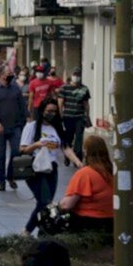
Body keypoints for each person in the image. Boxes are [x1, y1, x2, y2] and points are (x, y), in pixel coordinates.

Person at [19, 99, 84, 237]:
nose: (52, 114)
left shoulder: (58, 128)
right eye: (49, 111)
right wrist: (37, 144)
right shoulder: (32, 127)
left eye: (54, 111)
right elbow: (23, 149)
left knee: (46, 204)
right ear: (42, 111)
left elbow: (66, 148)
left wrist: (78, 163)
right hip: (35, 168)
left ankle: (42, 232)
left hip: (51, 167)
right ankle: (28, 231)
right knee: (44, 202)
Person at [58, 135, 113, 234]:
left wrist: (57, 206)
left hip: (88, 222)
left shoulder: (85, 174)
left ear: (86, 152)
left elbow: (66, 205)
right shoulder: (111, 172)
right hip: (110, 221)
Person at [0, 67, 29, 192]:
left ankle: (11, 175)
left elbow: (22, 105)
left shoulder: (15, 88)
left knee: (17, 151)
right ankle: (1, 180)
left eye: (11, 74)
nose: (10, 76)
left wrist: (28, 119)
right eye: (7, 74)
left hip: (15, 125)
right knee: (0, 154)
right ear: (1, 75)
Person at [55, 69, 90, 161]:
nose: (76, 77)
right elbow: (60, 103)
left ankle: (78, 157)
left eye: (78, 75)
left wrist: (87, 116)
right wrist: (60, 115)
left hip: (79, 116)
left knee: (79, 138)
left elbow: (86, 104)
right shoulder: (64, 88)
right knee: (69, 137)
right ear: (71, 76)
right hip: (68, 117)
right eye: (75, 75)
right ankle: (68, 155)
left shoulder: (84, 89)